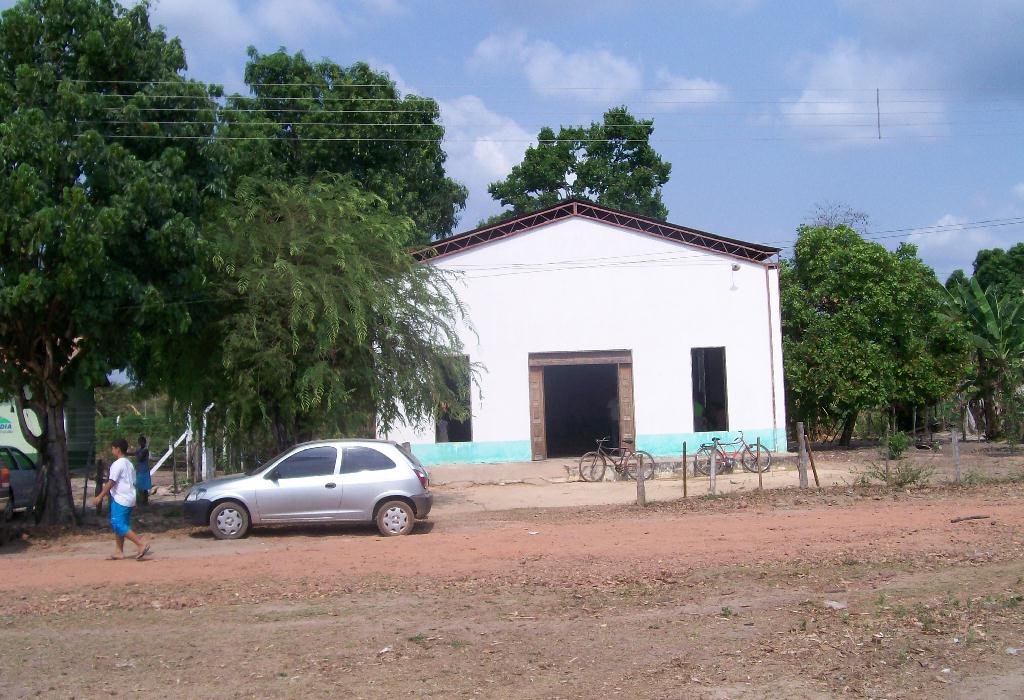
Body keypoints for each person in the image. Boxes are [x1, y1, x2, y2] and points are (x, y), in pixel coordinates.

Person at [93, 437, 151, 561]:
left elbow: (111, 482)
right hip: (129, 497)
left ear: (118, 449)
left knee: (118, 524)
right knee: (121, 524)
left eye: (113, 448)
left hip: (121, 498)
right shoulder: (129, 463)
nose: (112, 451)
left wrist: (100, 496)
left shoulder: (118, 464)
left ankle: (141, 544)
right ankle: (119, 551)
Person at [130, 435, 151, 505]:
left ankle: (145, 501)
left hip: (144, 470)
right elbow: (134, 454)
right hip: (140, 470)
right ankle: (141, 501)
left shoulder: (145, 450)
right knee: (140, 486)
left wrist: (136, 453)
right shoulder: (139, 450)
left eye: (141, 442)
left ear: (144, 442)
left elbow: (140, 457)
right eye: (139, 442)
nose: (140, 443)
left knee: (144, 487)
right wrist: (126, 453)